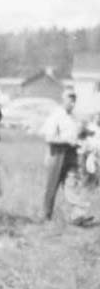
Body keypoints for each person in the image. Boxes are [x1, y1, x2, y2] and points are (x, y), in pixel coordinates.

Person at [41, 88, 81, 222]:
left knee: (72, 183)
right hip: (57, 153)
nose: (72, 103)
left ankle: (77, 215)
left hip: (72, 153)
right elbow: (49, 137)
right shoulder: (56, 116)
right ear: (63, 100)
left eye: (74, 100)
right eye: (70, 100)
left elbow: (76, 134)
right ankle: (46, 216)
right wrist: (66, 140)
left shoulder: (74, 117)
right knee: (52, 186)